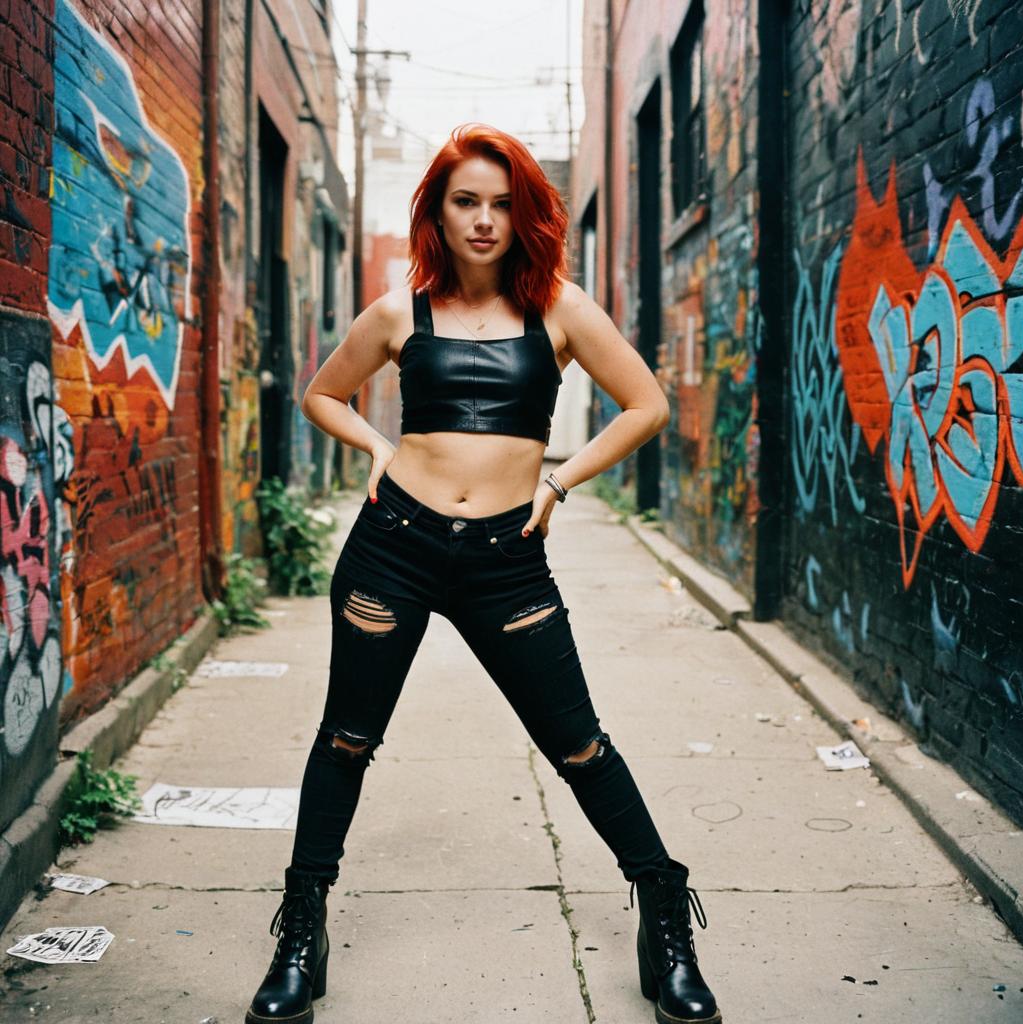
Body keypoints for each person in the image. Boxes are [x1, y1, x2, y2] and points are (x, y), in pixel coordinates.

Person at [244, 123, 722, 1024]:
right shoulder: (398, 312)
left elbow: (648, 403)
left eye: (503, 203)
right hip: (395, 545)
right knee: (346, 739)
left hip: (507, 561)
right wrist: (374, 445)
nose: (485, 219)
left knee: (579, 744)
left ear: (525, 215)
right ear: (438, 208)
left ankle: (665, 918)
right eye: (467, 200)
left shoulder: (560, 309)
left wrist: (563, 479)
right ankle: (301, 932)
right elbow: (320, 392)